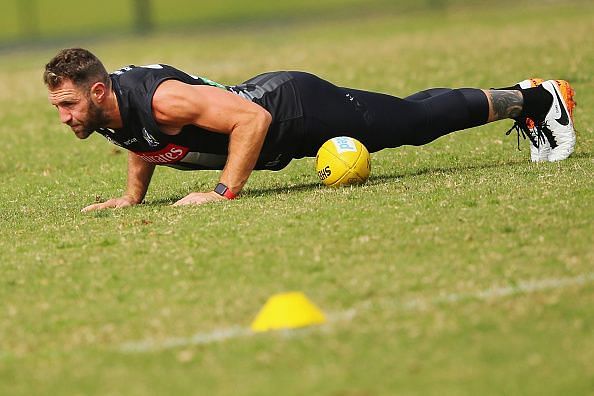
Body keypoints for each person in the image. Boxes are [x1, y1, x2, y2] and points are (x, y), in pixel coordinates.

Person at [44, 48, 576, 211]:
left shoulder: (160, 98)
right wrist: (132, 197)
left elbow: (252, 119)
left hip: (295, 108)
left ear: (97, 91)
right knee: (407, 115)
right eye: (57, 108)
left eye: (68, 104)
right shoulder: (109, 110)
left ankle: (532, 98)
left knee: (411, 122)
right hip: (279, 126)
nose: (65, 117)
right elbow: (143, 140)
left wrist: (223, 192)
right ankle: (522, 94)